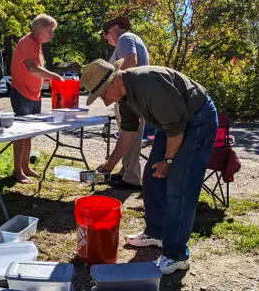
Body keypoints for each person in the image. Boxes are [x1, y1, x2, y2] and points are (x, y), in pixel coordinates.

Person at [81, 59, 217, 274]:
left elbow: (176, 129)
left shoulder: (149, 85)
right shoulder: (124, 97)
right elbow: (128, 133)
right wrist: (109, 165)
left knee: (179, 189)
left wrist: (169, 161)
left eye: (102, 95)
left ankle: (177, 255)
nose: (105, 102)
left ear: (112, 83)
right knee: (152, 180)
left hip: (196, 120)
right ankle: (156, 233)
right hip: (170, 124)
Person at [10, 14, 64, 184]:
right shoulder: (27, 42)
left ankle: (25, 167)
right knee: (21, 133)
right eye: (50, 31)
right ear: (38, 28)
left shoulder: (37, 45)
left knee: (30, 133)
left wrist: (47, 78)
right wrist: (55, 77)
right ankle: (17, 171)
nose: (51, 35)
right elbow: (32, 68)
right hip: (22, 94)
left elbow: (38, 69)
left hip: (35, 94)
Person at [100, 16, 150, 190]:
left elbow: (130, 62)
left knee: (130, 136)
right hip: (130, 96)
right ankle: (125, 172)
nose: (106, 38)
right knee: (126, 135)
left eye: (106, 34)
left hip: (129, 96)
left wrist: (115, 86)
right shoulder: (128, 40)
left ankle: (131, 178)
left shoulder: (125, 38)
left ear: (114, 28)